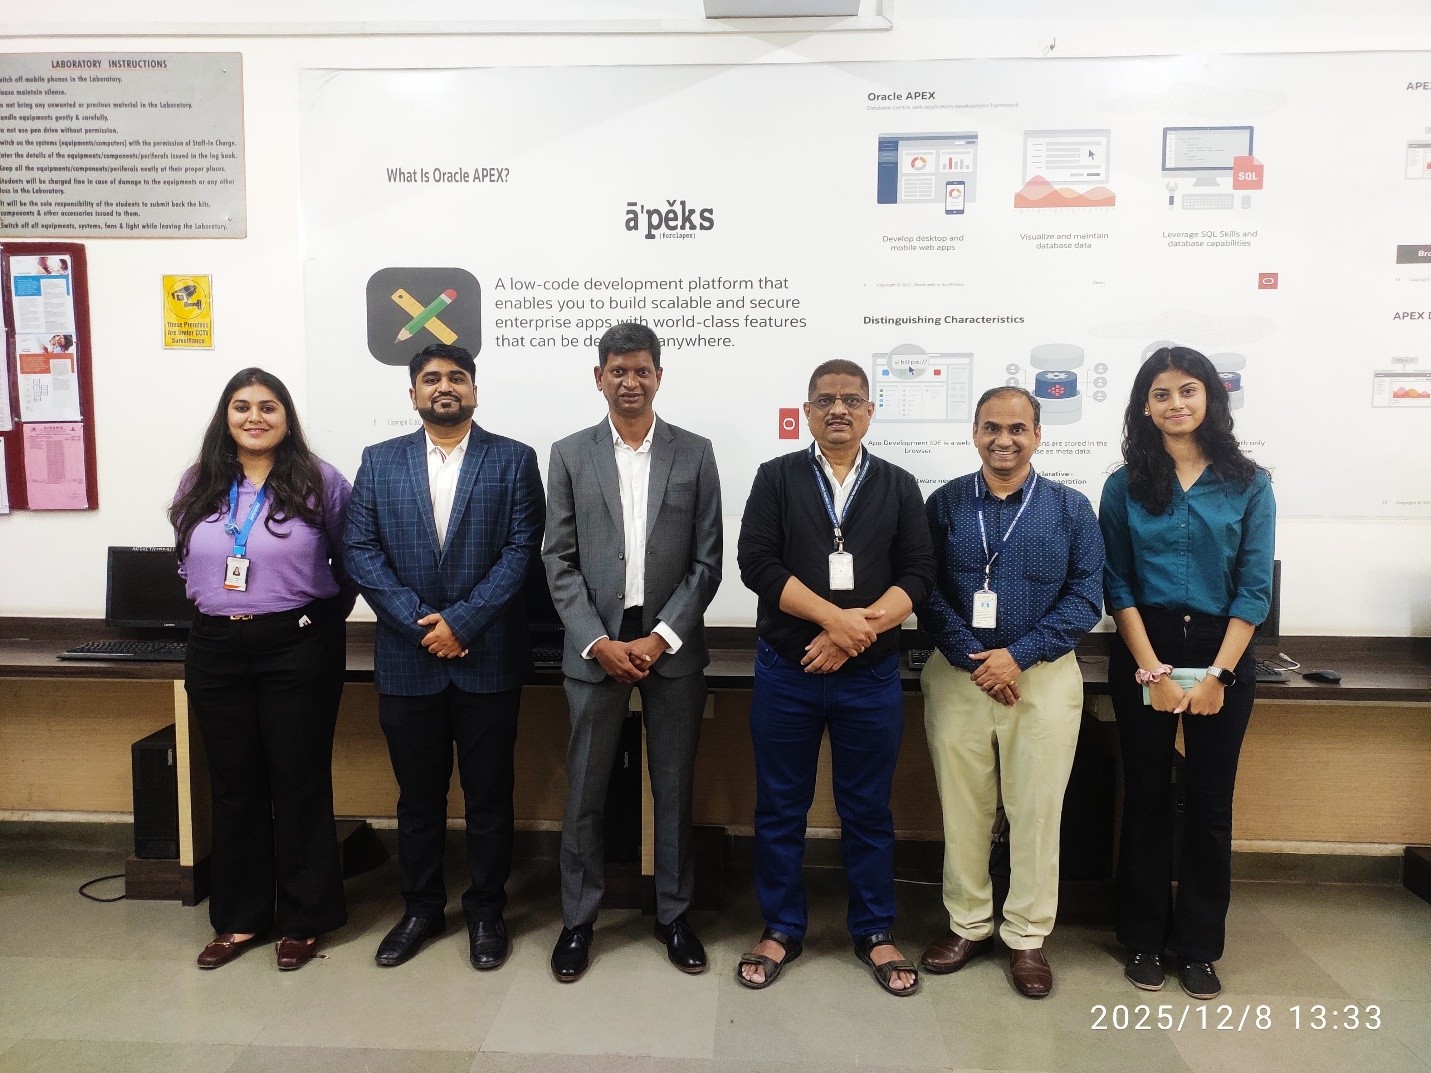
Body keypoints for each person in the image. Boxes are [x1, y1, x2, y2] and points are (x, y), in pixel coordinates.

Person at [735, 359, 935, 996]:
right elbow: (755, 563)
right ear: (808, 411)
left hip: (869, 678)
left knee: (868, 810)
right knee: (780, 808)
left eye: (851, 399)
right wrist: (833, 620)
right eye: (825, 400)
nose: (838, 410)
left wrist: (856, 635)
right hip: (787, 673)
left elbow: (919, 574)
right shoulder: (777, 477)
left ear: (870, 410)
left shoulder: (899, 484)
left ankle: (874, 930)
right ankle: (781, 927)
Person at [345, 342, 544, 972]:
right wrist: (420, 626)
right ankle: (421, 909)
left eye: (457, 377)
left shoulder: (513, 460)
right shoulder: (379, 461)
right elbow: (360, 550)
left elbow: (522, 550)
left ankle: (486, 912)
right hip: (409, 661)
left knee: (489, 796)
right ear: (413, 393)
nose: (445, 387)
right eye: (431, 379)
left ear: (475, 390)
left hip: (488, 656)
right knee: (417, 799)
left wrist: (462, 622)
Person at [542, 322, 722, 982]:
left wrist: (660, 636)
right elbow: (558, 558)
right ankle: (578, 920)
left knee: (673, 788)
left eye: (641, 369)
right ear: (599, 377)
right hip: (596, 646)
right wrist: (597, 640)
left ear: (658, 376)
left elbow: (707, 561)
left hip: (671, 646)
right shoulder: (569, 454)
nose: (629, 381)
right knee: (586, 790)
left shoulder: (695, 453)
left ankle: (673, 915)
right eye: (617, 370)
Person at [1100, 345, 1275, 1001]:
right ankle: (1143, 938)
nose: (1175, 403)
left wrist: (1217, 677)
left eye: (1187, 390)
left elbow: (1253, 589)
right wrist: (1153, 671)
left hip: (1220, 647)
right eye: (1161, 393)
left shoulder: (1249, 483)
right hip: (1144, 644)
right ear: (1144, 407)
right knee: (1145, 795)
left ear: (1210, 398)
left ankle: (1199, 947)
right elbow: (1117, 584)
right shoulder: (1123, 485)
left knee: (1208, 802)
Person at [917, 386, 1104, 998]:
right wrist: (976, 657)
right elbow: (922, 587)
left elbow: (1086, 596)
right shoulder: (944, 504)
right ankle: (967, 924)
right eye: (992, 428)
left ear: (1038, 436)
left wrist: (1016, 657)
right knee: (963, 808)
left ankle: (1027, 935)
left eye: (1017, 429)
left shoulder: (1070, 508)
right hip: (960, 673)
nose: (1004, 440)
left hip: (1041, 678)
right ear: (974, 433)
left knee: (1036, 811)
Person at [170, 367, 355, 971]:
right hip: (216, 647)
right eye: (242, 406)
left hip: (296, 646)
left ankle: (305, 918)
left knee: (298, 781)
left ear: (286, 417)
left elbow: (351, 561)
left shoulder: (319, 480)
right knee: (234, 783)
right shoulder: (200, 481)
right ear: (226, 417)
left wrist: (313, 624)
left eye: (268, 406)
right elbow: (186, 559)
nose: (255, 417)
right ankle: (240, 917)